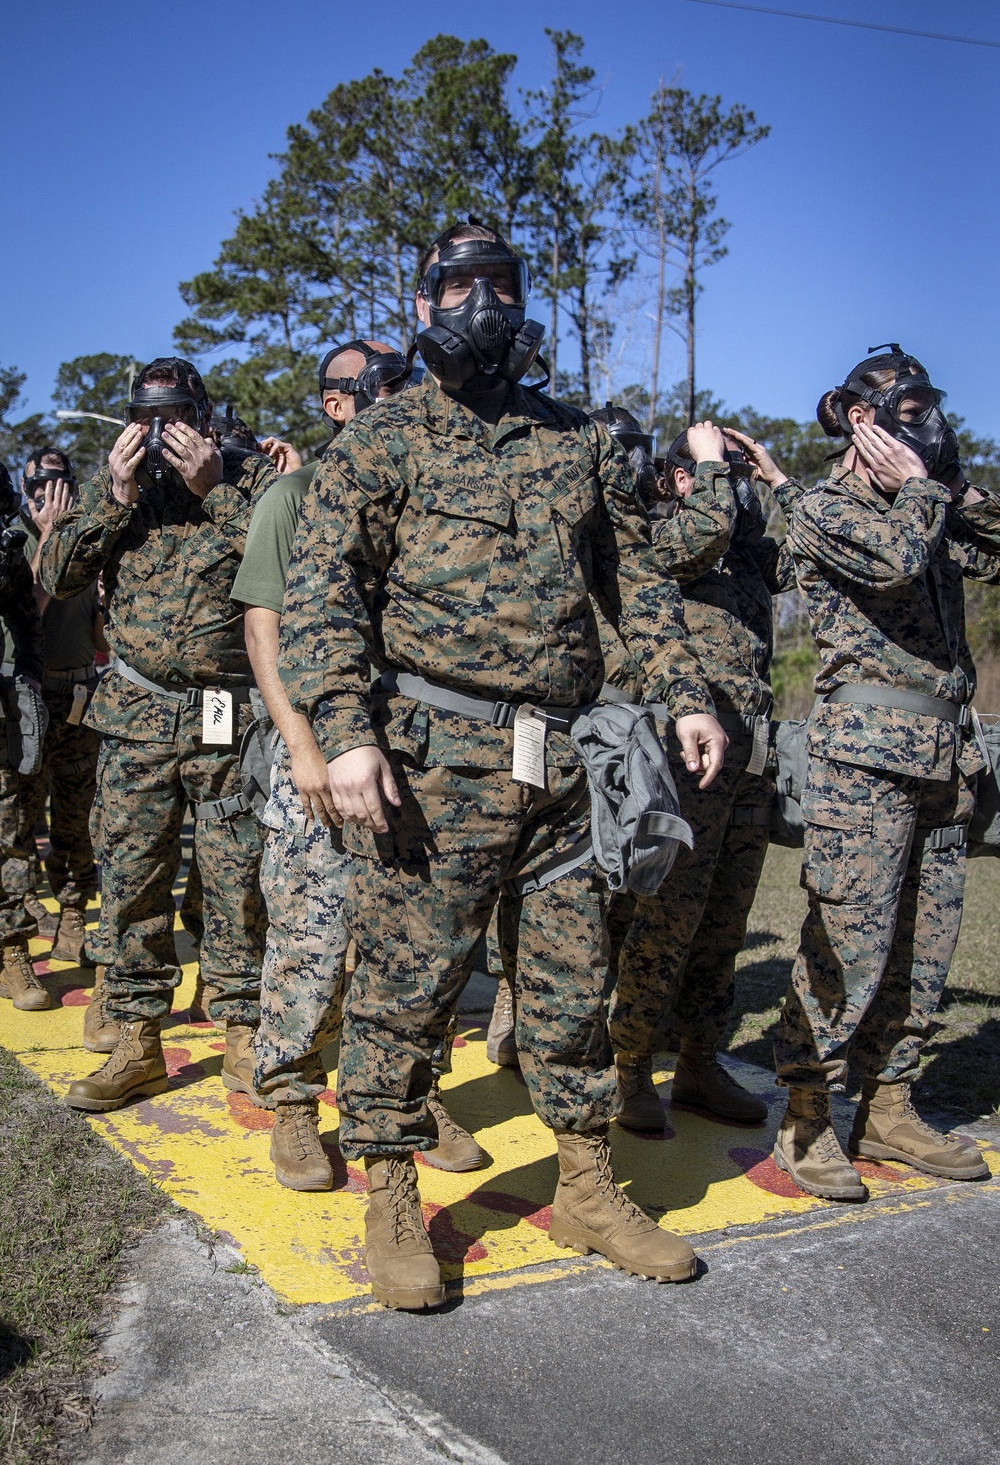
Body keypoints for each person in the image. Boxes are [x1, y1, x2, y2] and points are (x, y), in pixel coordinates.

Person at [279, 222, 726, 1309]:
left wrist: (685, 692)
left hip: (562, 763)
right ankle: (391, 1193)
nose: (485, 305)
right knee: (406, 989)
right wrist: (344, 731)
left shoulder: (572, 440)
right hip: (435, 765)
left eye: (503, 286)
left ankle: (583, 1184)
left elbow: (635, 584)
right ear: (424, 305)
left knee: (571, 990)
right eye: (462, 287)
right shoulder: (381, 442)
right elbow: (320, 595)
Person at [231, 338, 484, 1194]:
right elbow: (264, 631)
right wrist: (303, 745)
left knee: (416, 942)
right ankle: (295, 1098)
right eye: (384, 385)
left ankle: (410, 1097)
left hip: (418, 756)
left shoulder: (435, 494)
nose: (408, 394)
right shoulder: (294, 497)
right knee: (311, 932)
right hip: (320, 752)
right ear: (337, 405)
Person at [772, 344, 995, 1198]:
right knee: (847, 944)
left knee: (923, 948)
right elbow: (895, 562)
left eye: (928, 411)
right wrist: (925, 493)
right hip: (864, 758)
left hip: (946, 753)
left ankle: (891, 1103)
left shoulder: (930, 503)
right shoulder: (828, 507)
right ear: (861, 421)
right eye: (907, 414)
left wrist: (952, 483)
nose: (925, 428)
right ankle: (806, 1116)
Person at [39, 357, 273, 1111]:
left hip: (225, 717)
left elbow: (295, 566)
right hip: (137, 720)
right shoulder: (120, 494)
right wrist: (114, 494)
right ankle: (138, 1036)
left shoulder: (245, 482)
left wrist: (216, 491)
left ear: (203, 417)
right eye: (147, 417)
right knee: (133, 880)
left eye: (174, 416)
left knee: (236, 879)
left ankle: (242, 1030)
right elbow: (58, 575)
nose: (160, 431)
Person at [596, 409, 803, 1128]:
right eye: (720, 474)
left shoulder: (745, 556)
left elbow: (812, 552)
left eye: (737, 477)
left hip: (748, 761)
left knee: (724, 923)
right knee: (666, 919)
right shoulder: (660, 534)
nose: (735, 489)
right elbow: (693, 537)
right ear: (683, 477)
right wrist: (712, 466)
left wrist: (775, 478)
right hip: (685, 760)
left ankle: (698, 1060)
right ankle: (625, 1068)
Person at [7, 448, 104, 964]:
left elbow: (98, 634)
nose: (48, 494)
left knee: (76, 817)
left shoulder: (86, 541)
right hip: (29, 698)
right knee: (20, 818)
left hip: (80, 693)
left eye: (58, 484)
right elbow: (30, 610)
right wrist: (47, 541)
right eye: (37, 486)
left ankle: (72, 917)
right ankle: (18, 923)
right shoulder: (16, 543)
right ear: (24, 490)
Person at [0, 464, 47, 1009]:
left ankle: (13, 952)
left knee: (8, 831)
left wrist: (29, 672)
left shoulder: (7, 547)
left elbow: (23, 615)